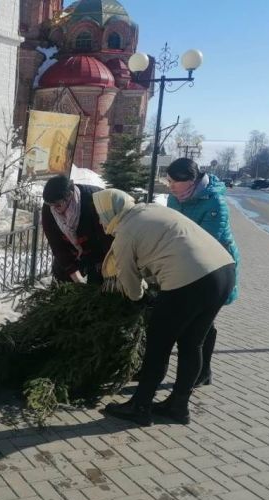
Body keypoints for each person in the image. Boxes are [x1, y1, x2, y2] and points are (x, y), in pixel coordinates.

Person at [93, 189, 235, 426]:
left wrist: (140, 300)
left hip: (190, 281)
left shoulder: (126, 232)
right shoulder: (150, 209)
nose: (99, 220)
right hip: (223, 272)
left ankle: (140, 406)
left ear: (111, 211)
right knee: (193, 343)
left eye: (100, 214)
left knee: (158, 345)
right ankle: (178, 406)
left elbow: (128, 279)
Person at [166, 158, 240, 386]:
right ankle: (201, 371)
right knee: (201, 323)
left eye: (174, 182)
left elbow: (207, 242)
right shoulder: (174, 198)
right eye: (167, 181)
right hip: (186, 262)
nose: (169, 186)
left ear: (190, 181)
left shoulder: (214, 201)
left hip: (215, 265)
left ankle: (203, 370)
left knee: (203, 322)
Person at [41, 175, 113, 284]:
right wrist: (75, 276)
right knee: (63, 278)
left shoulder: (93, 201)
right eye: (50, 205)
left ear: (69, 196)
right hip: (72, 251)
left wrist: (107, 263)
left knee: (99, 283)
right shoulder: (50, 208)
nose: (54, 209)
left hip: (98, 249)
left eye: (58, 205)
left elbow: (107, 237)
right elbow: (56, 244)